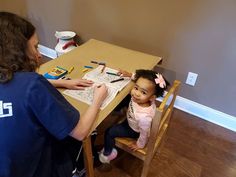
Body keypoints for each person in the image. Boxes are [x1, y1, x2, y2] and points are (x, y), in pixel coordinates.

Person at [0, 11, 108, 177]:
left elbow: (15, 87)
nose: (40, 54)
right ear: (17, 51)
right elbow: (80, 132)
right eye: (35, 47)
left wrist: (61, 82)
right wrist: (97, 99)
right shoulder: (33, 84)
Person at [99, 69, 168, 163]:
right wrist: (130, 74)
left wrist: (139, 145)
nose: (136, 93)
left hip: (134, 130)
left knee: (109, 132)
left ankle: (108, 153)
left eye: (143, 92)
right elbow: (139, 81)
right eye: (136, 88)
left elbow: (145, 133)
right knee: (126, 97)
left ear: (152, 97)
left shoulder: (144, 117)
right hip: (133, 120)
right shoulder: (141, 99)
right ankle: (117, 110)